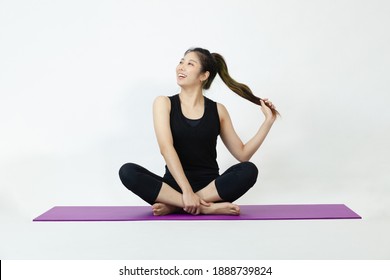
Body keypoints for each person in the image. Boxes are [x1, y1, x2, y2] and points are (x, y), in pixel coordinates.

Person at [119, 47, 278, 216]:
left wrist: (268, 122)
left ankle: (176, 206)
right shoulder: (163, 103)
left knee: (249, 170)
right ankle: (205, 207)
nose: (181, 67)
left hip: (211, 188)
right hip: (174, 187)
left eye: (190, 64)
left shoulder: (218, 110)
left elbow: (242, 154)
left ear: (204, 75)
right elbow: (166, 148)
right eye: (181, 62)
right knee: (128, 172)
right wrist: (186, 192)